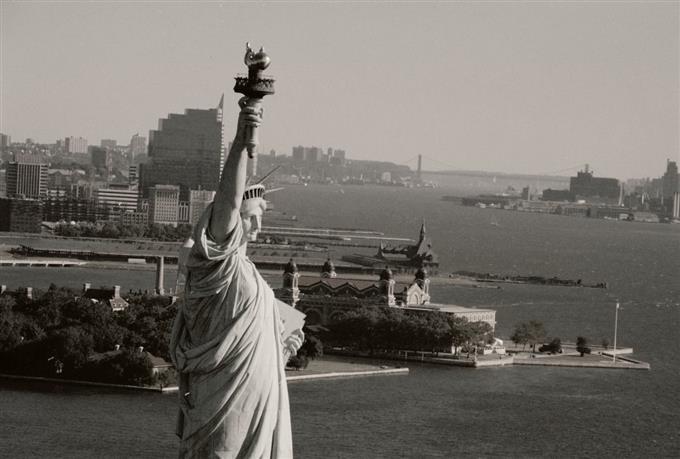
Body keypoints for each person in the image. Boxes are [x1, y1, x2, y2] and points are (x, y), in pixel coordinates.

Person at [170, 96, 304, 458]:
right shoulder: (218, 266)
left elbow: (256, 351)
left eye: (262, 216)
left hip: (257, 402)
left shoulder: (251, 276)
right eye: (251, 216)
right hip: (221, 402)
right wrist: (245, 134)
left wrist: (282, 352)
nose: (259, 226)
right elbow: (228, 201)